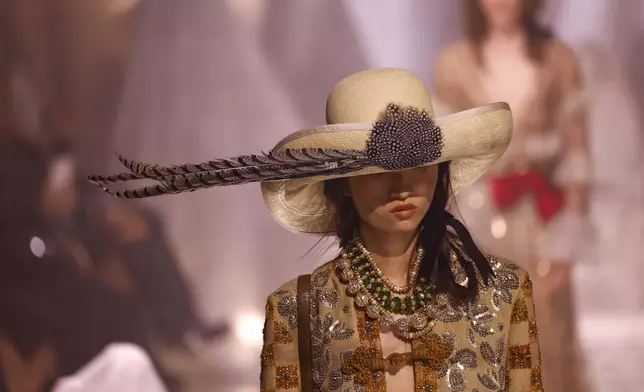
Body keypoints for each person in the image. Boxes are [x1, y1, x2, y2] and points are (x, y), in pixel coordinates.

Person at [90, 68, 541, 391]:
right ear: (341, 185)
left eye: (419, 164)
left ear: (439, 171)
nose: (402, 185)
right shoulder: (297, 311)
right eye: (376, 168)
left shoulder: (503, 293)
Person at [433, 1, 592, 391]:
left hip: (541, 220)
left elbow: (577, 151)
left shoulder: (560, 60)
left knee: (546, 335)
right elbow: (444, 156)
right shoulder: (454, 62)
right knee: (481, 334)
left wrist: (570, 234)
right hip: (478, 218)